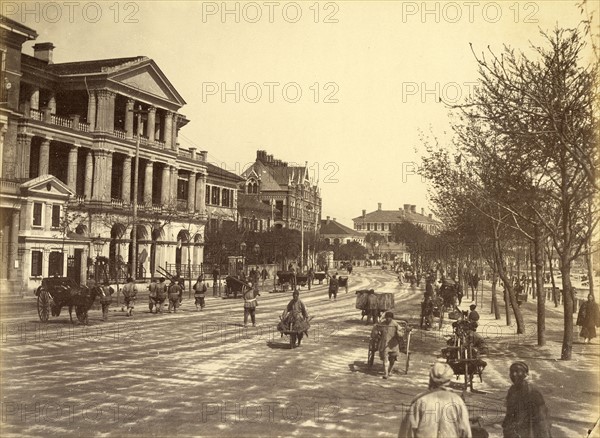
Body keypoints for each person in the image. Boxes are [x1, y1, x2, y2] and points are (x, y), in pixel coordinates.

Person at [398, 361, 472, 437]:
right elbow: (465, 431)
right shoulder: (457, 401)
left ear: (431, 379)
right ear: (449, 381)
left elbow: (407, 432)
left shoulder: (420, 401)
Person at [502, 361, 552, 438]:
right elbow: (510, 411)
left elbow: (542, 417)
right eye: (512, 372)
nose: (514, 374)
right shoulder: (512, 390)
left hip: (529, 430)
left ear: (525, 374)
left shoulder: (533, 391)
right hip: (514, 430)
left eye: (517, 371)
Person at [371, 311, 406, 379]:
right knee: (385, 358)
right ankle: (386, 373)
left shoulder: (395, 324)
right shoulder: (382, 324)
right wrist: (375, 331)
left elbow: (401, 333)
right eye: (386, 318)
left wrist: (399, 333)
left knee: (392, 360)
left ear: (392, 318)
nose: (387, 319)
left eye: (389, 318)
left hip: (393, 345)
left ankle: (389, 371)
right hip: (384, 344)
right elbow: (376, 329)